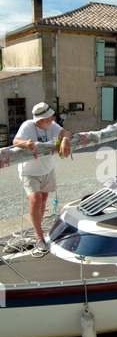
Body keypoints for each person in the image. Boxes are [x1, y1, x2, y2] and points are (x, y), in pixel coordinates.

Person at [13, 102, 72, 252]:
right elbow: (15, 141)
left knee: (44, 199)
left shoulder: (52, 125)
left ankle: (37, 225)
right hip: (29, 172)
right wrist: (26, 144)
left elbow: (66, 133)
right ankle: (39, 236)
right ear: (40, 120)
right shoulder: (28, 126)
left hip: (47, 169)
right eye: (49, 117)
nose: (52, 119)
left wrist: (65, 140)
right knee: (35, 200)